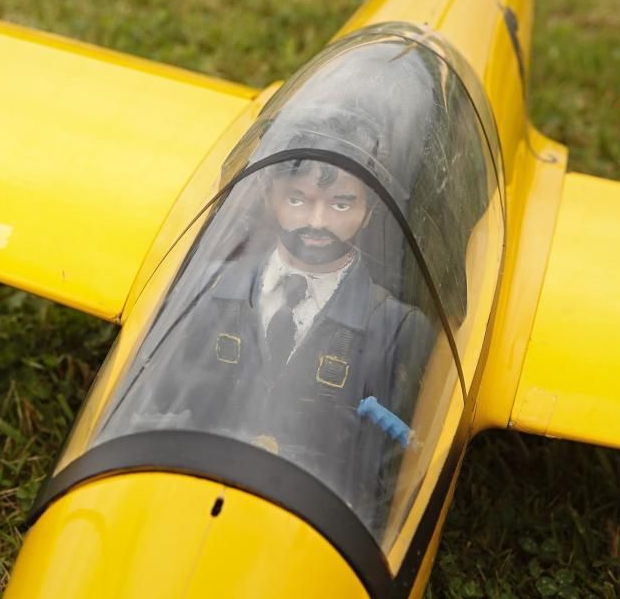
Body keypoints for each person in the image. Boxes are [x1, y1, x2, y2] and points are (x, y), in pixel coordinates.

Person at [109, 156, 435, 519]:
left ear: (369, 211)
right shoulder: (207, 290)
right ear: (270, 197)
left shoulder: (395, 329)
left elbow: (391, 482)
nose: (316, 222)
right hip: (192, 498)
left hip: (309, 525)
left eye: (341, 203)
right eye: (297, 199)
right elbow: (154, 403)